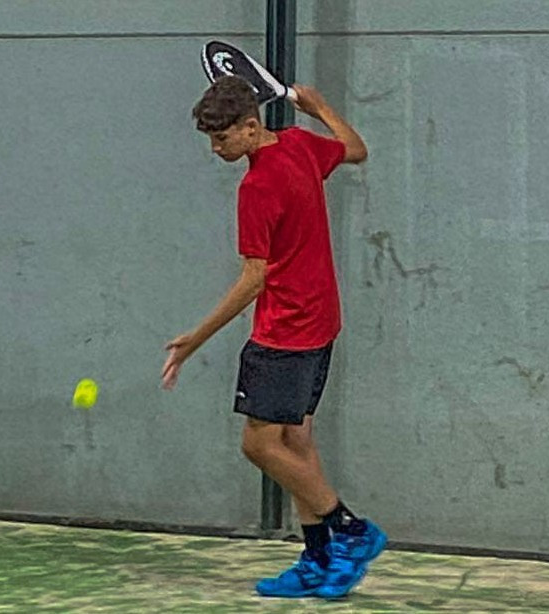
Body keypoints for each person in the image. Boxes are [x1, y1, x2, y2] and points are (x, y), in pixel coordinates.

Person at [161, 76, 387, 599]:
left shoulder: (256, 188)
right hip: (322, 320)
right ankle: (318, 560)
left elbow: (253, 279)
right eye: (211, 140)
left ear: (250, 126)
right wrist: (320, 106)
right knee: (295, 441)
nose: (216, 150)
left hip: (285, 330)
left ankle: (350, 529)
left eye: (222, 139)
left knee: (259, 444)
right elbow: (356, 149)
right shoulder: (301, 144)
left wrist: (194, 339)